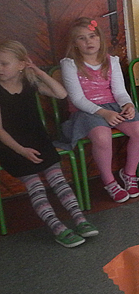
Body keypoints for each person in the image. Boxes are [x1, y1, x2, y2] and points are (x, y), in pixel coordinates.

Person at [0, 40, 98, 247]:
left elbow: (61, 94)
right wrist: (22, 151)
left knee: (59, 181)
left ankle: (79, 219)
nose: (0, 68)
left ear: (21, 65)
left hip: (38, 140)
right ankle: (57, 227)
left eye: (4, 64)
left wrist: (38, 72)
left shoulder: (29, 83)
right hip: (12, 147)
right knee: (36, 187)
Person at [60, 18, 139, 203]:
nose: (89, 41)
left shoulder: (111, 61)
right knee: (102, 136)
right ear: (75, 43)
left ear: (100, 38)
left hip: (112, 106)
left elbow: (119, 91)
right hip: (86, 111)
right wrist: (104, 113)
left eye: (92, 36)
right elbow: (77, 99)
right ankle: (109, 181)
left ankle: (129, 173)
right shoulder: (70, 64)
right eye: (82, 38)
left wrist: (128, 105)